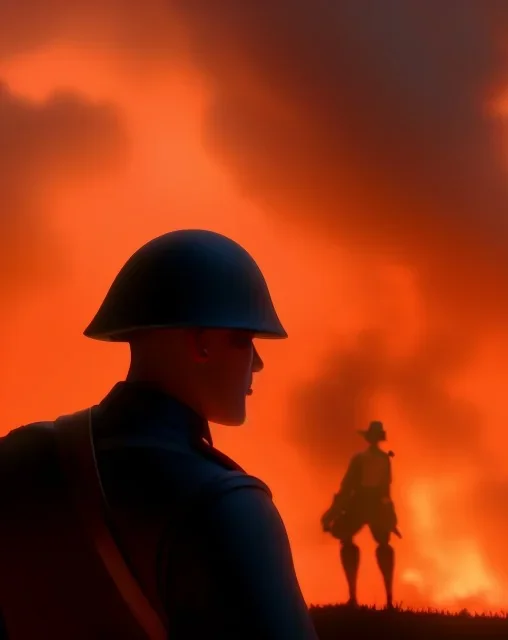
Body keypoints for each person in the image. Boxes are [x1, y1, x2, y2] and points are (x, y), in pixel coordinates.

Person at [0, 229, 318, 639]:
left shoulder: (20, 457)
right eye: (244, 340)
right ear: (201, 344)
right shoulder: (229, 505)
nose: (257, 364)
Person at [321, 420, 400, 609]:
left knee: (354, 541)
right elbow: (384, 490)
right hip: (373, 504)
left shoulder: (364, 459)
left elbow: (348, 486)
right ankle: (378, 598)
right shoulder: (382, 459)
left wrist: (333, 512)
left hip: (363, 502)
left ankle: (364, 597)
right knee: (378, 543)